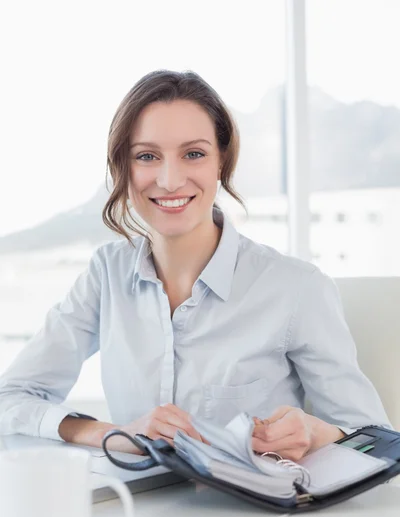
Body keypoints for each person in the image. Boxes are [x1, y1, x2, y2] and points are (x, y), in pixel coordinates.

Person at [0, 70, 391, 462]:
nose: (169, 180)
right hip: (139, 515)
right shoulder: (106, 275)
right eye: (147, 156)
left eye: (193, 154)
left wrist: (316, 432)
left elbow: (377, 439)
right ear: (125, 166)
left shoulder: (296, 288)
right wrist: (113, 434)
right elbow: (10, 398)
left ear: (221, 161)